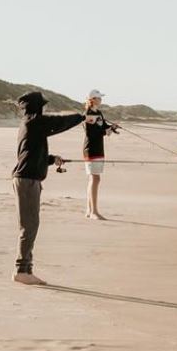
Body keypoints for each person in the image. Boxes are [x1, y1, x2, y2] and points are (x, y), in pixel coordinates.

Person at [11, 91, 86, 285]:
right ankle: (22, 271)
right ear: (36, 107)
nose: (44, 109)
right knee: (29, 226)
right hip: (27, 180)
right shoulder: (34, 122)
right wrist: (82, 117)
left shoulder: (31, 124)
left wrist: (52, 159)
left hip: (29, 179)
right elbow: (58, 123)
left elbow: (31, 153)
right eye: (42, 106)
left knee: (30, 225)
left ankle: (25, 269)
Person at [82, 89, 119, 221]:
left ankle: (89, 209)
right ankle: (94, 212)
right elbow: (91, 133)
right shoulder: (88, 113)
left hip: (99, 148)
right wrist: (106, 130)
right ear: (93, 99)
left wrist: (111, 127)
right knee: (95, 178)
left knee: (94, 179)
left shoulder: (98, 113)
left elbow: (102, 127)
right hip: (91, 149)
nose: (101, 100)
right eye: (99, 98)